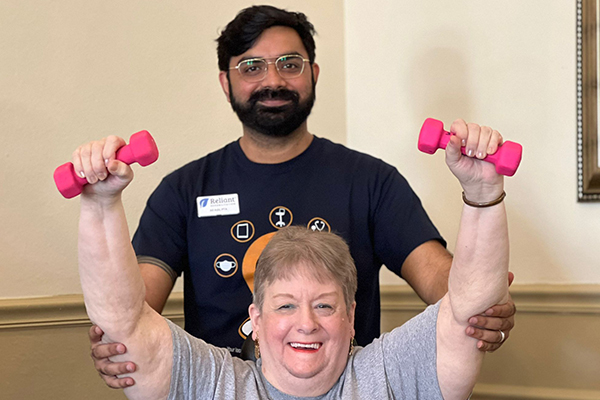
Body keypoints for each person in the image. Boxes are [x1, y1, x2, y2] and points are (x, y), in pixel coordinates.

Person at [73, 5, 516, 388]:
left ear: (313, 74)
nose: (273, 80)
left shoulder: (371, 180)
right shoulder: (185, 189)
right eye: (251, 66)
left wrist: (479, 297)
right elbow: (133, 308)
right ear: (226, 83)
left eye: (290, 63)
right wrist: (120, 337)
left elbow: (443, 282)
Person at [75, 118, 511, 399]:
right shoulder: (213, 383)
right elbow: (126, 322)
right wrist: (99, 204)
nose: (307, 322)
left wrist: (483, 193)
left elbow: (466, 311)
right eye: (285, 305)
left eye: (324, 304)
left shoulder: (389, 374)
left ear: (352, 315)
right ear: (256, 320)